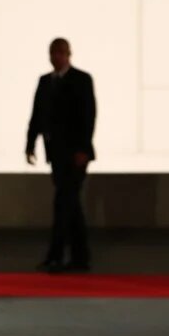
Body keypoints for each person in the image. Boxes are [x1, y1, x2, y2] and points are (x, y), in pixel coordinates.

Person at [26, 37, 96, 273]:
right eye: (53, 53)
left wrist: (83, 149)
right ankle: (80, 258)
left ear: (68, 54)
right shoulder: (45, 81)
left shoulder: (81, 79)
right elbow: (37, 115)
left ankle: (56, 256)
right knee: (70, 205)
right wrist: (30, 144)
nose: (56, 57)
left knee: (64, 204)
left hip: (76, 155)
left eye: (60, 53)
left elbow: (88, 116)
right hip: (55, 153)